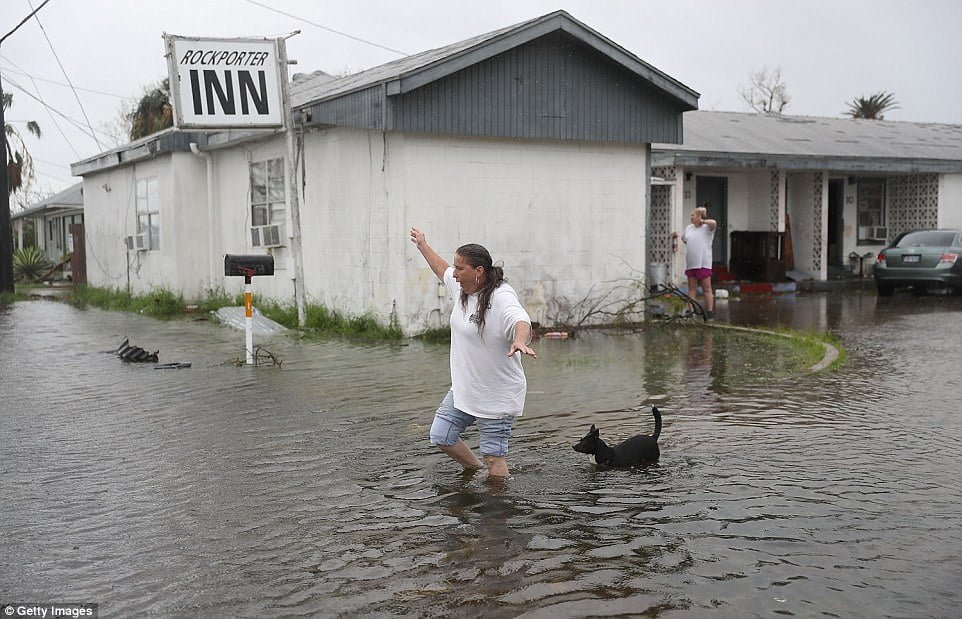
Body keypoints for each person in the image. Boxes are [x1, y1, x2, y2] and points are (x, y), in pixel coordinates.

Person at [410, 227, 537, 479]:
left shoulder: (501, 296)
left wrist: (520, 341)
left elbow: (520, 318)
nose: (454, 273)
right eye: (455, 267)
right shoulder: (461, 289)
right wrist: (422, 244)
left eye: (460, 268)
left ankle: (498, 509)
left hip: (495, 395)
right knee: (441, 435)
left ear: (478, 271)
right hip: (465, 389)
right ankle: (475, 470)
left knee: (494, 459)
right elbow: (440, 269)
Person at [681, 206, 717, 319]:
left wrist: (703, 221)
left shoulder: (707, 228)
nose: (691, 217)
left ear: (699, 217)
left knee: (707, 288)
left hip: (703, 262)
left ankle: (710, 311)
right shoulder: (689, 228)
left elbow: (714, 223)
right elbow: (684, 239)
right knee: (692, 289)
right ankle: (691, 311)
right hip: (691, 263)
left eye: (693, 215)